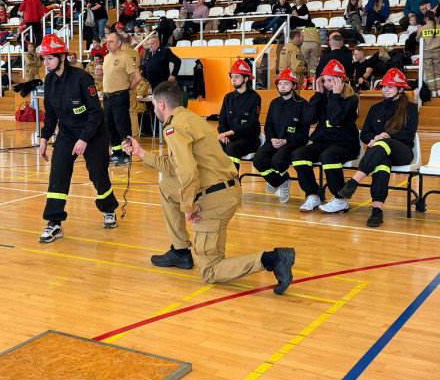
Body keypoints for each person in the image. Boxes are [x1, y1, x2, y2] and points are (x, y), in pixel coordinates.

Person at [121, 81, 295, 293]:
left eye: (154, 105)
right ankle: (180, 251)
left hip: (215, 199)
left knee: (210, 271)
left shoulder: (173, 128)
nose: (154, 109)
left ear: (161, 104)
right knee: (167, 186)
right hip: (225, 190)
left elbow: (187, 171)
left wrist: (187, 207)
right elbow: (174, 167)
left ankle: (273, 259)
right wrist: (141, 153)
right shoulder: (191, 119)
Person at [37, 34, 119, 242]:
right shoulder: (49, 81)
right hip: (67, 133)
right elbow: (50, 115)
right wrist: (44, 138)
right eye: (44, 59)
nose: (46, 63)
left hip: (93, 132)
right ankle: (54, 222)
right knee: (58, 173)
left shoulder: (82, 78)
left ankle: (108, 209)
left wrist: (84, 139)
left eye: (50, 58)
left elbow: (96, 113)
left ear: (62, 57)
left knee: (98, 173)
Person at [338, 68, 418, 227]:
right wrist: (374, 138)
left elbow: (408, 135)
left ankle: (353, 182)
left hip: (402, 152)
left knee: (384, 142)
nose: (385, 90)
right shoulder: (375, 108)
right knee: (382, 165)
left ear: (400, 89)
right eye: (384, 87)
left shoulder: (410, 108)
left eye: (390, 87)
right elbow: (364, 134)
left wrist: (386, 137)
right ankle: (377, 210)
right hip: (378, 153)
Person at [292, 59, 360, 213]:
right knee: (299, 154)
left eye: (331, 80)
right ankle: (313, 194)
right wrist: (317, 94)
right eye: (325, 80)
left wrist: (335, 95)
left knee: (328, 156)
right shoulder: (323, 96)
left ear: (341, 80)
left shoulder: (351, 99)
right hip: (323, 143)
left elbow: (335, 120)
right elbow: (309, 119)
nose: (327, 84)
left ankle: (340, 199)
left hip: (345, 144)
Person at [252, 67, 312, 204]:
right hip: (274, 141)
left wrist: (286, 140)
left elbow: (303, 132)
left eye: (286, 83)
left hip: (293, 143)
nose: (282, 87)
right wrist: (272, 138)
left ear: (294, 86)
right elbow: (268, 125)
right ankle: (281, 182)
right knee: (258, 160)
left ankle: (277, 181)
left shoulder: (302, 104)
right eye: (280, 84)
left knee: (277, 161)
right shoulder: (274, 103)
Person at [103, 31, 140, 165]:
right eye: (107, 41)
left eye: (111, 42)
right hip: (107, 97)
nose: (107, 44)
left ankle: (127, 153)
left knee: (122, 126)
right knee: (110, 125)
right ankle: (116, 151)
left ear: (118, 43)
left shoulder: (125, 57)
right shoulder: (106, 57)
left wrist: (129, 89)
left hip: (120, 96)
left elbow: (137, 77)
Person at [217, 59, 261, 171]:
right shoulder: (228, 97)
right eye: (232, 77)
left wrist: (229, 133)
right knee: (216, 145)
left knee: (231, 148)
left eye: (237, 77)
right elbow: (222, 120)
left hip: (249, 139)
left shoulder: (254, 98)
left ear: (246, 79)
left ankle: (233, 178)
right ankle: (220, 178)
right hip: (230, 137)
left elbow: (250, 124)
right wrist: (223, 134)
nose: (233, 80)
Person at [417, 11, 440, 96]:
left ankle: (433, 91)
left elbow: (418, 39)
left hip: (427, 53)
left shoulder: (423, 28)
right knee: (438, 71)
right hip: (438, 53)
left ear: (426, 18)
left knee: (429, 72)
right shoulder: (439, 27)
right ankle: (439, 89)